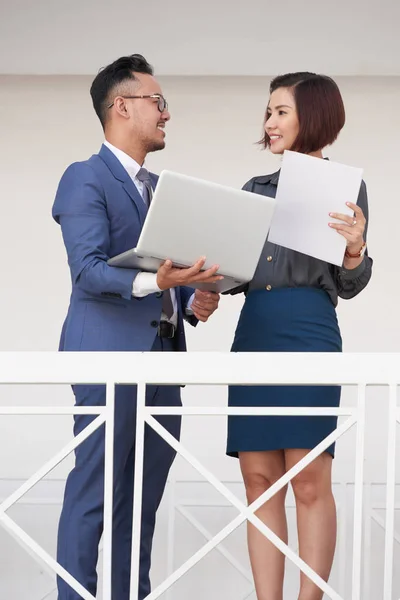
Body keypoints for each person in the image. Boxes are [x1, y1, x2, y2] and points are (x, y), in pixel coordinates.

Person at [52, 54, 221, 600]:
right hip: (107, 355)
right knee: (95, 488)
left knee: (143, 496)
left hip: (165, 355)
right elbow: (89, 269)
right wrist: (156, 284)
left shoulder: (160, 189)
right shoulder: (84, 177)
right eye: (159, 102)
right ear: (121, 106)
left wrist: (190, 298)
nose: (166, 114)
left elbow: (158, 276)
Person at [226, 72, 372, 600]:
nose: (269, 123)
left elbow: (348, 283)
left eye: (280, 112)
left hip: (310, 329)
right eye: (267, 113)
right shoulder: (252, 190)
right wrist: (206, 283)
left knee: (309, 482)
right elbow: (236, 273)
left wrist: (355, 249)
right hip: (255, 328)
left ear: (312, 116)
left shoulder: (345, 187)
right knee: (258, 480)